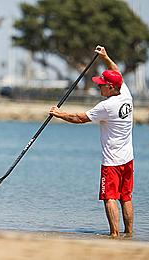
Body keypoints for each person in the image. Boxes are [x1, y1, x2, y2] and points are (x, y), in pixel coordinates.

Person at [49, 45, 134, 238]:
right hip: (128, 159)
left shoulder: (107, 106)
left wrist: (58, 114)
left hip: (112, 162)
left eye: (102, 84)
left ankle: (114, 235)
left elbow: (79, 118)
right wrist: (105, 56)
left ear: (111, 87)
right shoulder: (126, 94)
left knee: (110, 197)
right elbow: (117, 71)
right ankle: (129, 235)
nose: (99, 86)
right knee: (126, 197)